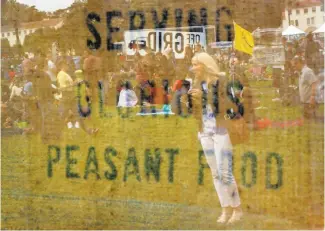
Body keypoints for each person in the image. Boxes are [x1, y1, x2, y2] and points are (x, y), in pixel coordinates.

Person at [175, 52, 242, 224]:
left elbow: (228, 105)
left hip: (221, 130)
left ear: (205, 65)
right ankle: (225, 209)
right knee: (215, 173)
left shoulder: (220, 82)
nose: (192, 68)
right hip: (204, 131)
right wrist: (188, 101)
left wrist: (203, 97)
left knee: (225, 172)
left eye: (195, 64)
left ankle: (237, 209)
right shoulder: (195, 83)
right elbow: (193, 111)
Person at [292, 55, 318, 120]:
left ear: (300, 63)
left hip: (309, 102)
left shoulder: (307, 71)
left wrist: (313, 96)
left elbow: (314, 83)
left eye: (295, 65)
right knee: (307, 121)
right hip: (305, 102)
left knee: (310, 121)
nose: (294, 67)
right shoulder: (301, 72)